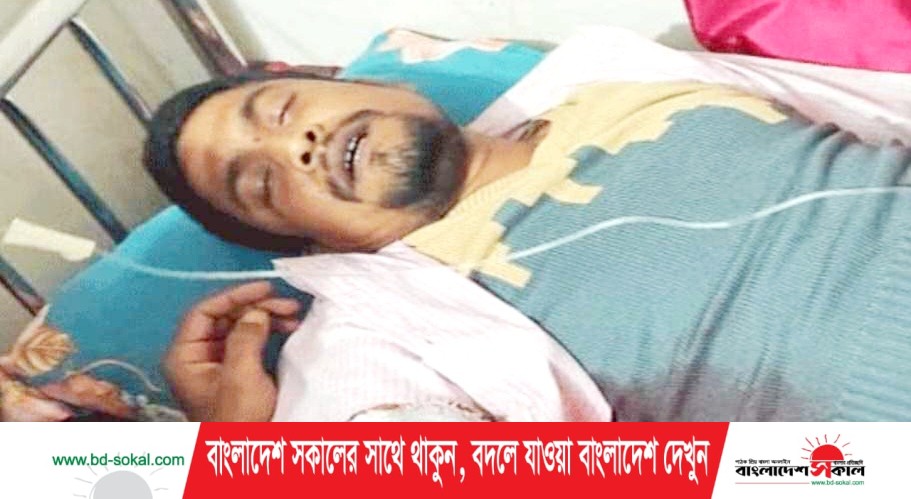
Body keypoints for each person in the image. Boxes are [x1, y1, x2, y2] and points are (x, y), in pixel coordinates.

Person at [143, 41, 911, 422]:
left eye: (282, 112)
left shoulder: (622, 78)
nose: (296, 147)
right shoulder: (372, 335)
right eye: (262, 184)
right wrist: (248, 454)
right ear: (314, 244)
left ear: (376, 83)